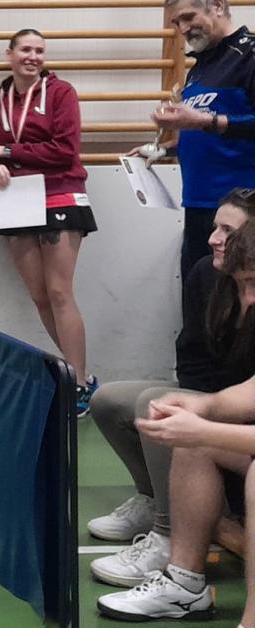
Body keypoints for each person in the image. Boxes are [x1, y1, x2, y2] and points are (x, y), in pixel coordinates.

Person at [87, 188, 255, 587]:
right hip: (228, 399)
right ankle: (159, 506)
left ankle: (171, 535)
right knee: (117, 400)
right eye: (215, 227)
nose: (213, 238)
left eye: (227, 231)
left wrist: (205, 422)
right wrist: (204, 405)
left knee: (169, 415)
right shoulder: (205, 275)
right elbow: (193, 353)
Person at [0, 29, 98, 412]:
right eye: (25, 49)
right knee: (40, 296)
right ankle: (78, 378)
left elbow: (64, 150)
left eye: (40, 50)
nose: (33, 56)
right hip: (15, 201)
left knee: (59, 292)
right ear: (9, 54)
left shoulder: (60, 93)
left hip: (59, 194)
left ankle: (78, 383)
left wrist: (6, 152)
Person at [143, 0, 255, 283]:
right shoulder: (201, 67)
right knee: (198, 296)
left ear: (217, 6)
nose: (182, 29)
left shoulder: (249, 56)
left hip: (243, 211)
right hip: (199, 206)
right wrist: (164, 149)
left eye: (188, 17)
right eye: (176, 23)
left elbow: (209, 123)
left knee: (237, 300)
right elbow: (205, 132)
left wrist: (205, 121)